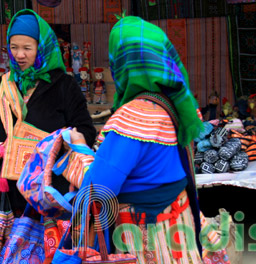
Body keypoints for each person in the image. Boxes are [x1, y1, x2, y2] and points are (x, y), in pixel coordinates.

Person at [70, 15, 204, 263]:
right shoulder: (176, 104)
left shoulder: (135, 116)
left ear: (122, 65)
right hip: (178, 224)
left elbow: (98, 189)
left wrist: (79, 148)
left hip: (148, 238)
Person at [0, 9, 96, 215]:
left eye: (27, 48)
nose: (19, 55)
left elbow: (86, 132)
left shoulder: (65, 86)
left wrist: (56, 144)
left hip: (52, 195)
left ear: (42, 47)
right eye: (14, 48)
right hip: (7, 200)